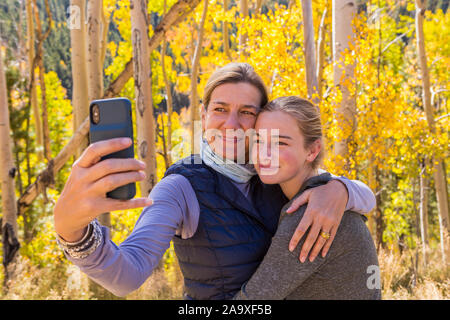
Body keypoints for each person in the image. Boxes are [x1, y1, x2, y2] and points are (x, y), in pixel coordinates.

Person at [53, 63, 376, 299]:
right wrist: (72, 231)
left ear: (262, 120)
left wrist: (340, 189)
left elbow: (365, 197)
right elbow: (127, 275)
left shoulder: (273, 171)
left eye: (247, 112)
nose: (232, 124)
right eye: (220, 109)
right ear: (204, 114)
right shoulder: (181, 186)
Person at [233, 96, 381, 300]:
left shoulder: (309, 216)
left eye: (280, 143)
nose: (264, 154)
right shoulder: (326, 196)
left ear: (312, 150)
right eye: (258, 140)